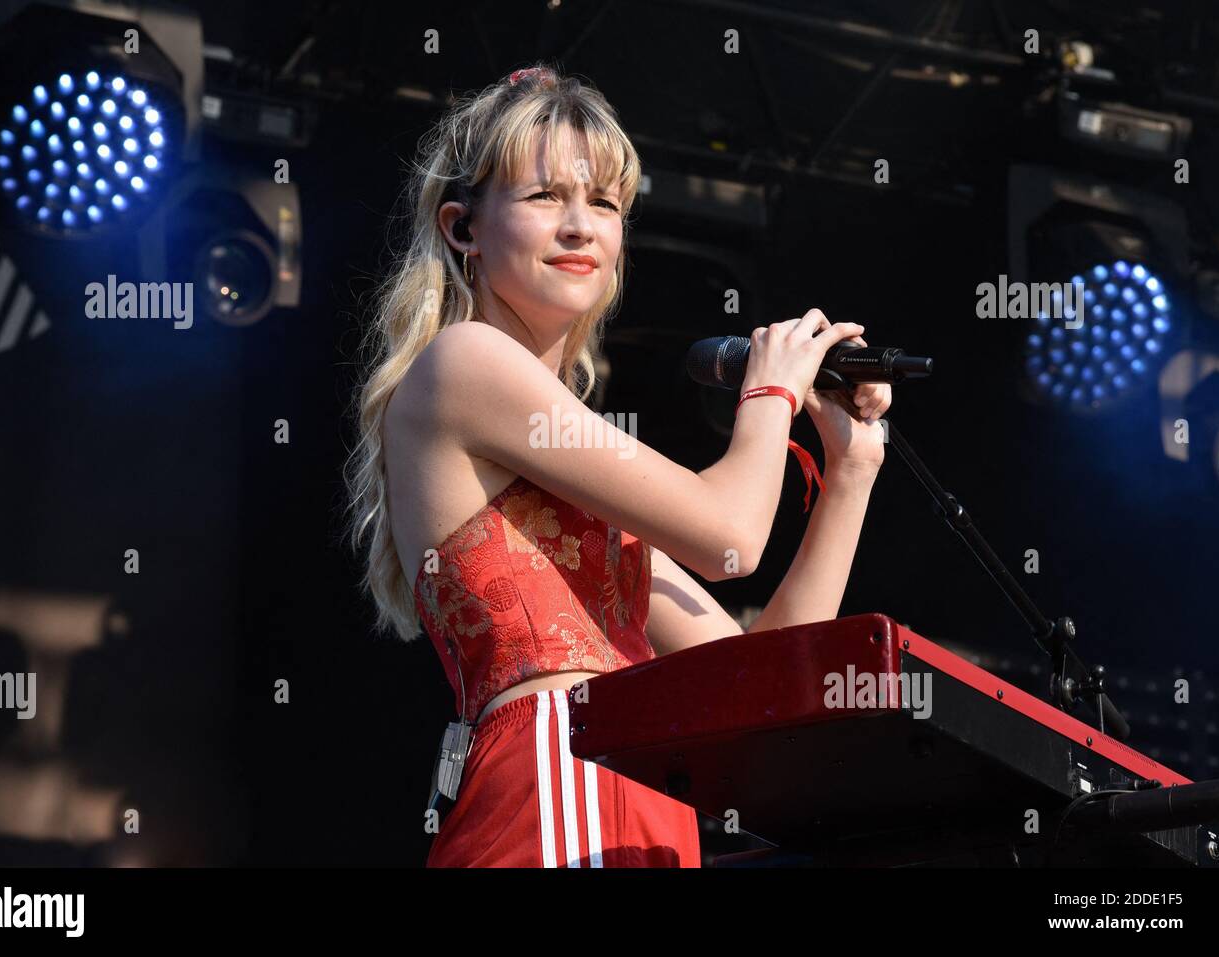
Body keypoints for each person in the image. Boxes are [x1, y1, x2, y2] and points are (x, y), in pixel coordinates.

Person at [343, 63, 891, 867]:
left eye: (603, 203)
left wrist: (850, 472)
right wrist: (771, 389)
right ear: (463, 227)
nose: (581, 227)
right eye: (544, 197)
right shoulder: (464, 361)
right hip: (557, 783)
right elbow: (728, 536)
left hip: (635, 804)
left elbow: (763, 677)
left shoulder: (575, 469)